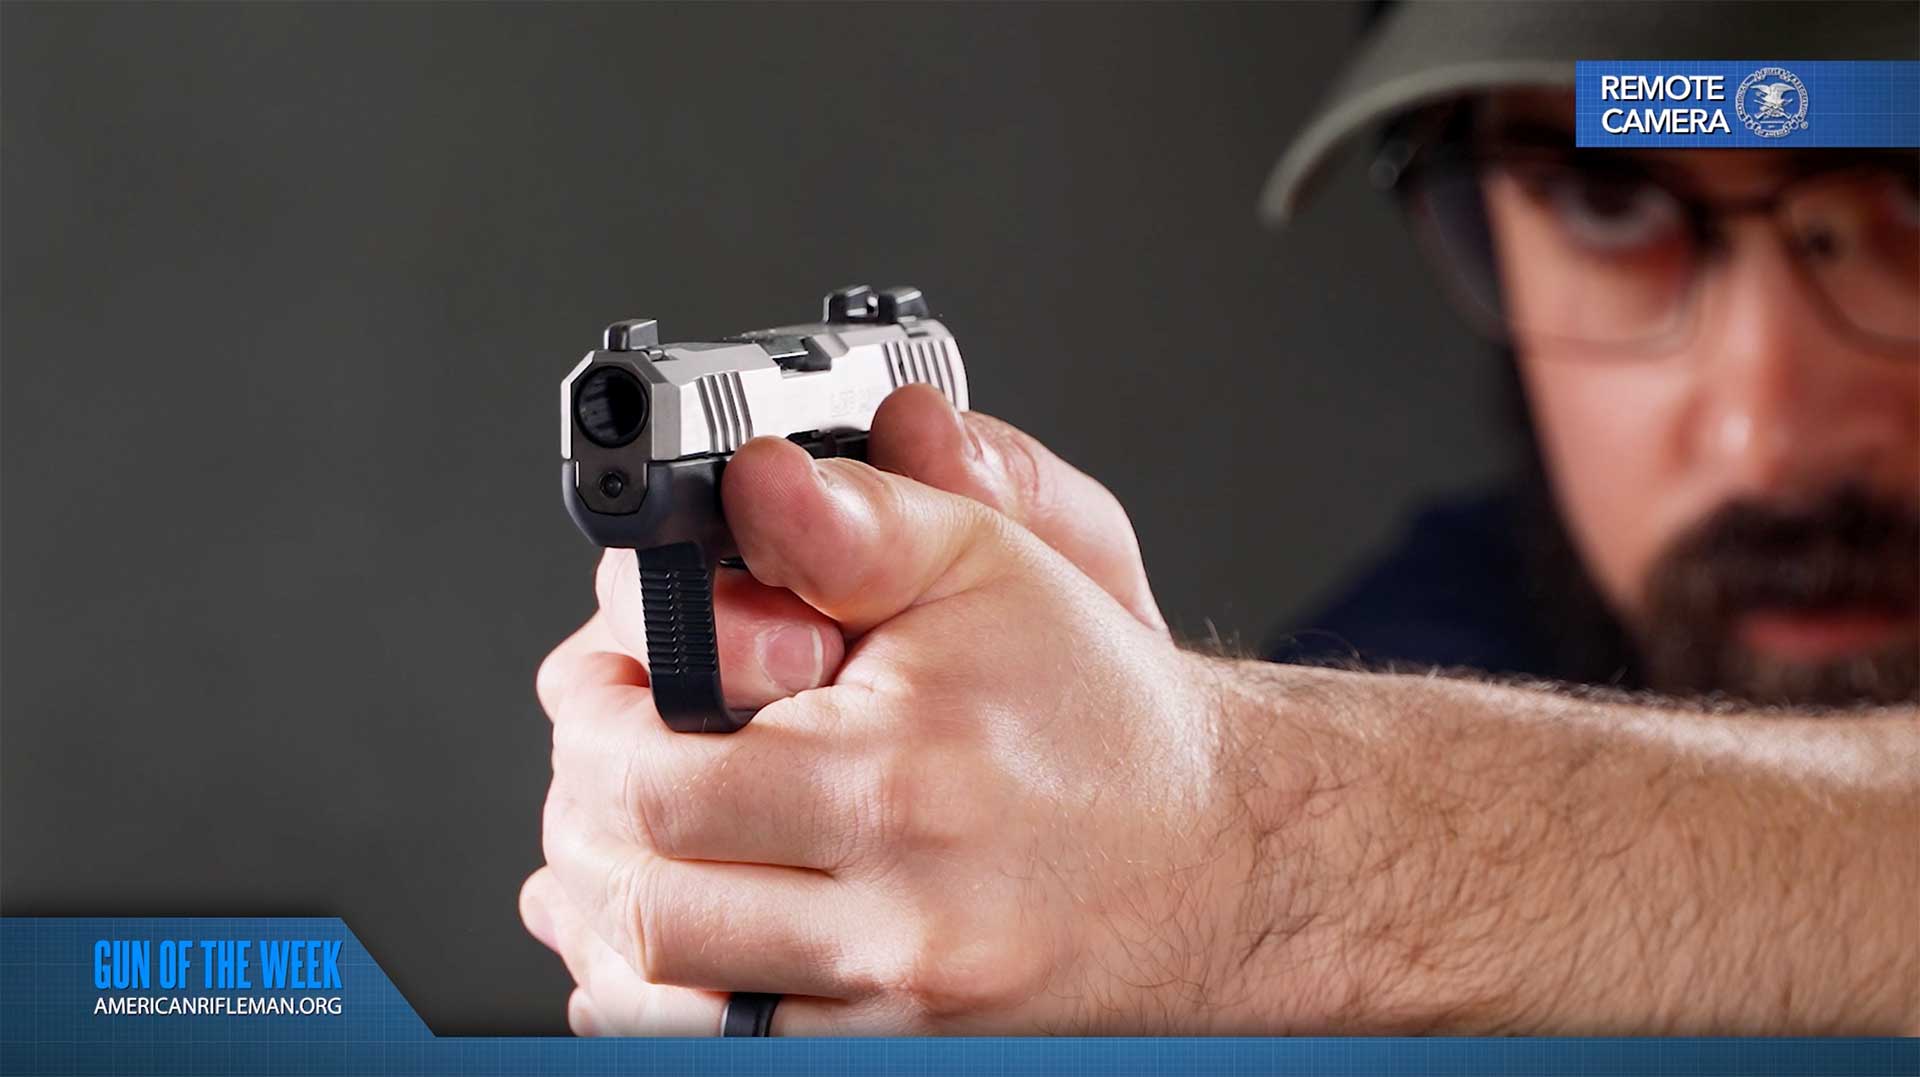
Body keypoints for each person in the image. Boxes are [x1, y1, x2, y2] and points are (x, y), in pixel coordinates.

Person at [520, 3, 1918, 1036]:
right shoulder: (1424, 647)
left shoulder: (1344, 775)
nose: (1768, 426)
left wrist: (1250, 860)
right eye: (1608, 195)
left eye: (1908, 183)